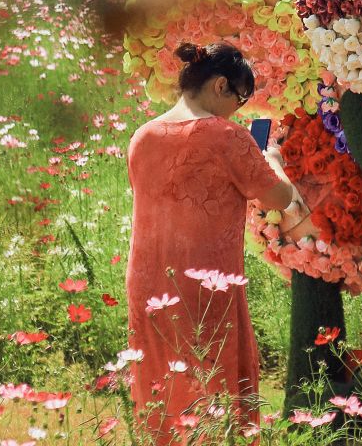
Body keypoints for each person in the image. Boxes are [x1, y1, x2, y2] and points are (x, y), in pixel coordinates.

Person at [126, 41, 308, 444]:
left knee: (161, 384)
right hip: (205, 284)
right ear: (221, 85)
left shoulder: (142, 136)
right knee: (214, 383)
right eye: (240, 99)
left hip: (147, 282)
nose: (238, 111)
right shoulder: (228, 136)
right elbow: (279, 198)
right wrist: (271, 157)